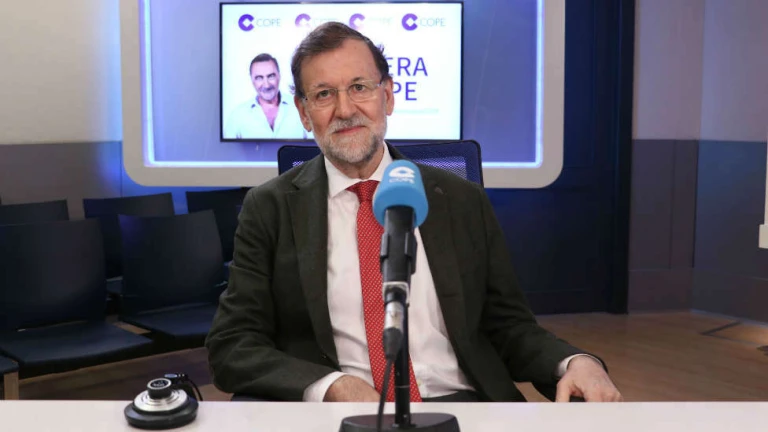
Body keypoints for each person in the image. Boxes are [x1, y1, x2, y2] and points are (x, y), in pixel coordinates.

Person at [206, 22, 622, 403]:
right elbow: (233, 344)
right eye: (324, 94)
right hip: (342, 412)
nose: (345, 109)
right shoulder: (270, 207)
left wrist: (575, 362)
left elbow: (509, 326)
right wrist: (332, 386)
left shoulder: (460, 200)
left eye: (359, 87)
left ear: (387, 96)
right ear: (303, 112)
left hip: (461, 404)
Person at [224, 53, 306, 139]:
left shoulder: (301, 108)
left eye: (271, 76)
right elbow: (226, 147)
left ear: (279, 76)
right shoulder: (238, 115)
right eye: (259, 78)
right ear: (252, 79)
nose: (266, 85)